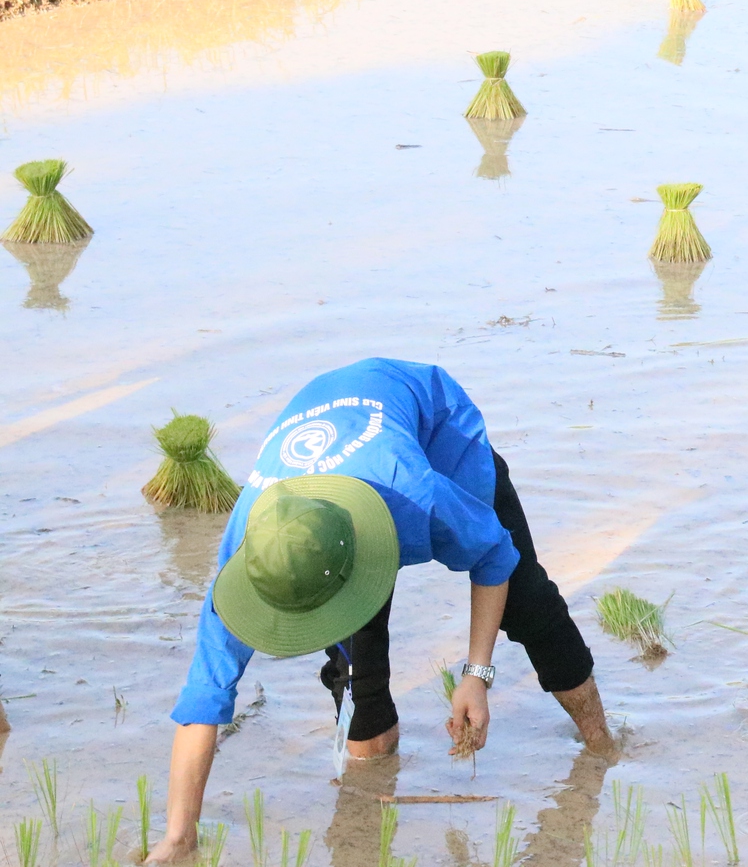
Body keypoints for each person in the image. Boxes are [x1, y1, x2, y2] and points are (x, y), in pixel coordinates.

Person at [145, 359, 611, 864]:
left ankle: (603, 750)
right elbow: (203, 698)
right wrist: (178, 837)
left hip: (436, 434)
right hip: (322, 493)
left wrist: (475, 674)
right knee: (355, 673)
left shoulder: (415, 491)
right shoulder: (253, 553)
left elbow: (494, 554)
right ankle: (368, 820)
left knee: (528, 603)